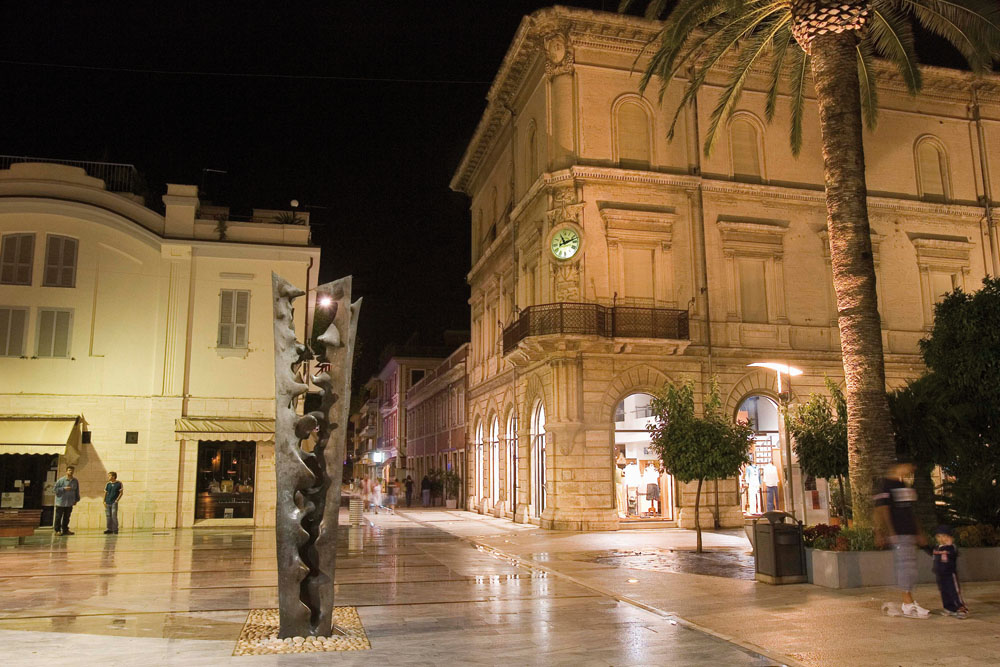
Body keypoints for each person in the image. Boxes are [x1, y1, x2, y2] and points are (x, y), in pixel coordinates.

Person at [874, 460, 930, 618]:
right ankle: (907, 603)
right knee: (905, 567)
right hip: (899, 533)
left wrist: (918, 532)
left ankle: (908, 601)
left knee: (910, 568)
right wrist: (886, 532)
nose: (911, 469)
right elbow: (881, 510)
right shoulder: (885, 485)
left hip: (909, 532)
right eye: (909, 466)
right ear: (900, 466)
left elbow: (910, 510)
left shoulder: (903, 485)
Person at [928, 525, 969, 618]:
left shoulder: (951, 548)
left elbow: (954, 554)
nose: (941, 539)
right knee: (944, 591)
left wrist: (949, 545)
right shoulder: (937, 548)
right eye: (939, 536)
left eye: (944, 536)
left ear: (950, 537)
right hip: (940, 575)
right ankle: (949, 608)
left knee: (954, 591)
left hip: (950, 574)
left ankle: (961, 608)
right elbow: (932, 554)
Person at [53, 465, 81, 536]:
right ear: (66, 471)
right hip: (61, 502)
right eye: (69, 470)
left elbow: (76, 490)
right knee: (58, 517)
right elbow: (54, 490)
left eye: (72, 470)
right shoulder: (61, 480)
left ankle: (65, 530)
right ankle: (57, 530)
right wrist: (63, 488)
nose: (70, 472)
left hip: (69, 502)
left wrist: (76, 499)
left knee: (67, 517)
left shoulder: (75, 481)